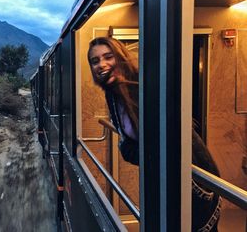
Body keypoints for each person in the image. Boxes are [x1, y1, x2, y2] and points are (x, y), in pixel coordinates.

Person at [87, 37, 222, 232]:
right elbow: (130, 148)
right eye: (95, 60)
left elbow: (164, 145)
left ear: (120, 56)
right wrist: (137, 150)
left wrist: (137, 150)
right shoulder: (113, 94)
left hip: (192, 183)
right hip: (166, 179)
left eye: (108, 56)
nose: (102, 64)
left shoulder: (144, 87)